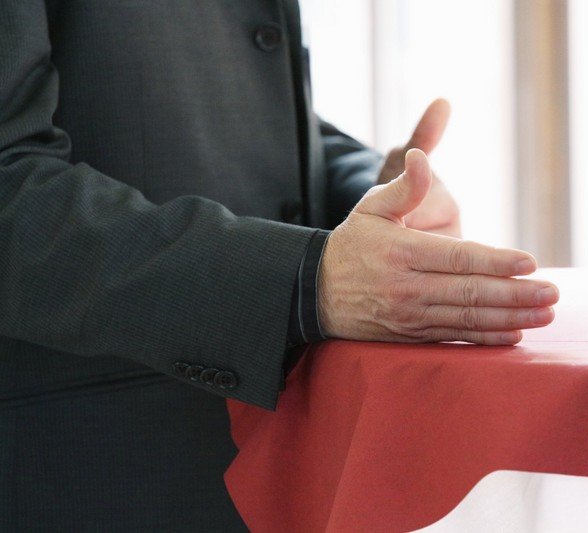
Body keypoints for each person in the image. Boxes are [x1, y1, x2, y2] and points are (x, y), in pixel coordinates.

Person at [0, 1, 559, 529]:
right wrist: (304, 280)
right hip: (97, 473)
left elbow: (236, 111)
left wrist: (371, 190)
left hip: (287, 468)